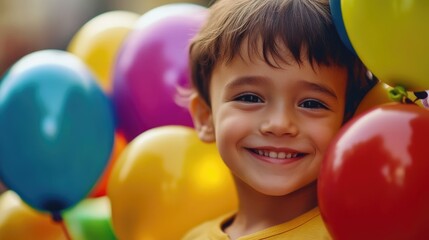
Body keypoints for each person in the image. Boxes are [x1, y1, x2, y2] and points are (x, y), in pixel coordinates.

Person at [182, 0, 376, 239]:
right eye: (250, 98)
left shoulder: (356, 233)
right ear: (206, 117)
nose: (280, 124)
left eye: (311, 104)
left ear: (348, 121)